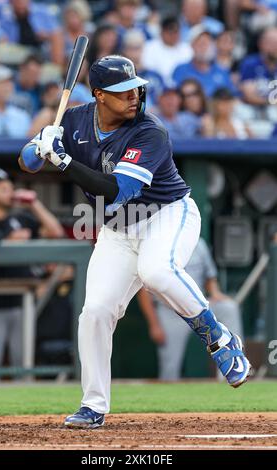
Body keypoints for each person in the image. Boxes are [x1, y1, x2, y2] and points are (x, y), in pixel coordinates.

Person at [19, 54, 251, 429]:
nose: (134, 96)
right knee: (95, 311)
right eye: (122, 91)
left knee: (157, 270)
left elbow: (117, 191)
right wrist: (42, 144)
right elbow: (26, 163)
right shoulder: (75, 120)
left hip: (166, 215)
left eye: (135, 88)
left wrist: (64, 163)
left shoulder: (150, 130)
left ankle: (220, 339)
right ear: (99, 95)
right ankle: (93, 406)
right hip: (117, 231)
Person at [0, 169, 64, 368]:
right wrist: (7, 240)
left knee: (24, 362)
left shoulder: (20, 219)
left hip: (23, 302)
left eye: (11, 188)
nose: (10, 192)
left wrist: (34, 204)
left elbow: (55, 232)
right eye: (3, 188)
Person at [138, 238, 244, 381]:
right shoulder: (157, 242)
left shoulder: (198, 243)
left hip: (198, 307)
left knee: (229, 308)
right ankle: (168, 399)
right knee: (170, 369)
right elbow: (143, 291)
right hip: (169, 310)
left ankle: (234, 367)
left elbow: (209, 275)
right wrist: (154, 324)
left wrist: (214, 292)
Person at [172, 25, 236, 97]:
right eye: (200, 43)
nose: (204, 47)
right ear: (192, 45)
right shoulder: (181, 70)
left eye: (207, 42)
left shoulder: (222, 71)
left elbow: (232, 97)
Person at [142, 15, 193, 86]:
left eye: (176, 32)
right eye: (170, 32)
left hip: (181, 86)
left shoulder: (187, 49)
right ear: (162, 32)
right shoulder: (149, 47)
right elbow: (148, 71)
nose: (173, 35)